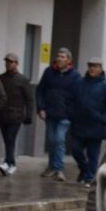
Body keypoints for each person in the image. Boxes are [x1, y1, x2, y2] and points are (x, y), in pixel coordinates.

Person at [68, 58, 106, 186]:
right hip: (79, 124)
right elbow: (71, 100)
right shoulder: (79, 83)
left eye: (95, 66)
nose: (92, 69)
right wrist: (72, 114)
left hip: (96, 126)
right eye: (90, 66)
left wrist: (103, 118)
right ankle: (84, 170)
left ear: (101, 69)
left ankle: (90, 178)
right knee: (75, 149)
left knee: (93, 155)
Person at [35, 47, 81, 181]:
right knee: (51, 140)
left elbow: (77, 96)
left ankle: (59, 169)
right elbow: (40, 90)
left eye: (63, 56)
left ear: (69, 60)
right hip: (50, 113)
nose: (59, 58)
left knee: (59, 140)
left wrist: (71, 112)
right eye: (58, 56)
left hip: (65, 115)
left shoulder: (75, 76)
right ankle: (51, 166)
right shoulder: (49, 72)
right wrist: (40, 108)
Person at [0, 53, 34, 174]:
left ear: (16, 64)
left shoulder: (22, 80)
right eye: (7, 62)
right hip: (3, 115)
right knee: (7, 139)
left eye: (11, 62)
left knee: (11, 138)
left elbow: (29, 99)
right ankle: (10, 162)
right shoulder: (0, 78)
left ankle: (8, 162)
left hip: (16, 115)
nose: (8, 64)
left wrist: (29, 115)